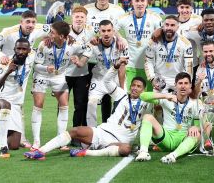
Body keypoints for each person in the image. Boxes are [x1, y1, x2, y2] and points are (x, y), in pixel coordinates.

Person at [24, 60, 152, 160]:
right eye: (133, 85)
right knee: (75, 131)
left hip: (120, 142)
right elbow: (106, 81)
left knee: (126, 149)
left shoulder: (148, 104)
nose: (135, 88)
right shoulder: (122, 94)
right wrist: (115, 67)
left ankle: (86, 152)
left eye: (139, 86)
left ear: (144, 90)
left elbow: (156, 110)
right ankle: (41, 151)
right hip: (102, 132)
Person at [0, 10, 50, 148]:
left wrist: (55, 37)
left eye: (33, 22)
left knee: (19, 101)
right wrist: (1, 54)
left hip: (22, 68)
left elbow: (55, 29)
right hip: (1, 67)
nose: (30, 25)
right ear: (21, 22)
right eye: (27, 22)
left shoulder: (38, 29)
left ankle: (22, 137)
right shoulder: (9, 32)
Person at [30, 21, 90, 149]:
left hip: (59, 77)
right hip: (42, 76)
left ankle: (60, 140)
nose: (49, 35)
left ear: (62, 36)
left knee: (64, 105)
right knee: (39, 105)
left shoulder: (73, 44)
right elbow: (36, 65)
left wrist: (80, 61)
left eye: (52, 33)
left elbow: (88, 49)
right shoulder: (44, 44)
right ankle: (36, 141)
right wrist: (46, 68)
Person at [0, 38, 34, 157]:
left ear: (29, 51)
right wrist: (7, 72)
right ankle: (3, 147)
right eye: (18, 48)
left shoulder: (31, 58)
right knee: (6, 105)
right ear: (14, 49)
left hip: (15, 104)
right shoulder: (4, 62)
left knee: (14, 144)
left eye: (24, 49)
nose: (20, 51)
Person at [135, 72, 203, 164]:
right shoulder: (167, 99)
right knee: (147, 117)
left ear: (190, 85)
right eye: (180, 83)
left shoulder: (195, 103)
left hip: (183, 140)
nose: (183, 86)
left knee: (197, 134)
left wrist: (196, 127)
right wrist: (166, 95)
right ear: (175, 85)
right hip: (165, 138)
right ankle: (143, 152)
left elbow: (200, 123)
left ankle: (173, 156)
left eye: (186, 83)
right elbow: (142, 96)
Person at [85, 0, 127, 124]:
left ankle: (108, 125)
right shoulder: (87, 10)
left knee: (110, 97)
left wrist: (120, 38)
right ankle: (88, 130)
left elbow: (119, 30)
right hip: (91, 59)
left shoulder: (118, 11)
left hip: (111, 58)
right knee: (89, 97)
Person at [116, 0, 162, 90]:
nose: (140, 4)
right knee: (132, 96)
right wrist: (119, 38)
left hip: (150, 66)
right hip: (131, 65)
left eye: (142, 1)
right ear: (132, 2)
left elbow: (165, 33)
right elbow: (111, 29)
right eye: (137, 1)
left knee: (149, 99)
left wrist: (160, 30)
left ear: (147, 2)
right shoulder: (124, 18)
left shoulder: (155, 18)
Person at [86, 20, 128, 127]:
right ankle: (92, 133)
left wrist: (122, 88)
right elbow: (84, 57)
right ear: (99, 32)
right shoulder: (93, 44)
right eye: (103, 31)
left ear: (113, 31)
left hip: (116, 79)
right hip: (99, 79)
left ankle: (116, 130)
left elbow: (122, 67)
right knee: (91, 103)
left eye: (109, 30)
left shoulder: (121, 44)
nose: (106, 33)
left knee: (124, 104)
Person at [145, 15, 193, 93]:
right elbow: (148, 62)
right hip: (160, 79)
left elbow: (189, 66)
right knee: (158, 105)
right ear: (162, 26)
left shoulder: (186, 43)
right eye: (167, 25)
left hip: (179, 79)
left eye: (172, 25)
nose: (169, 28)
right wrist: (152, 78)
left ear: (178, 27)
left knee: (179, 104)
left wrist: (188, 82)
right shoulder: (153, 42)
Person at [65, 6, 96, 128]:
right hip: (64, 74)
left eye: (82, 17)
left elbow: (92, 46)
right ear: (72, 17)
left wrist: (81, 61)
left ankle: (77, 133)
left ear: (86, 19)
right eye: (76, 16)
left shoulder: (91, 31)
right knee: (63, 105)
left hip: (82, 74)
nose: (79, 19)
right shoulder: (65, 30)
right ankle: (61, 134)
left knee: (80, 105)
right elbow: (49, 36)